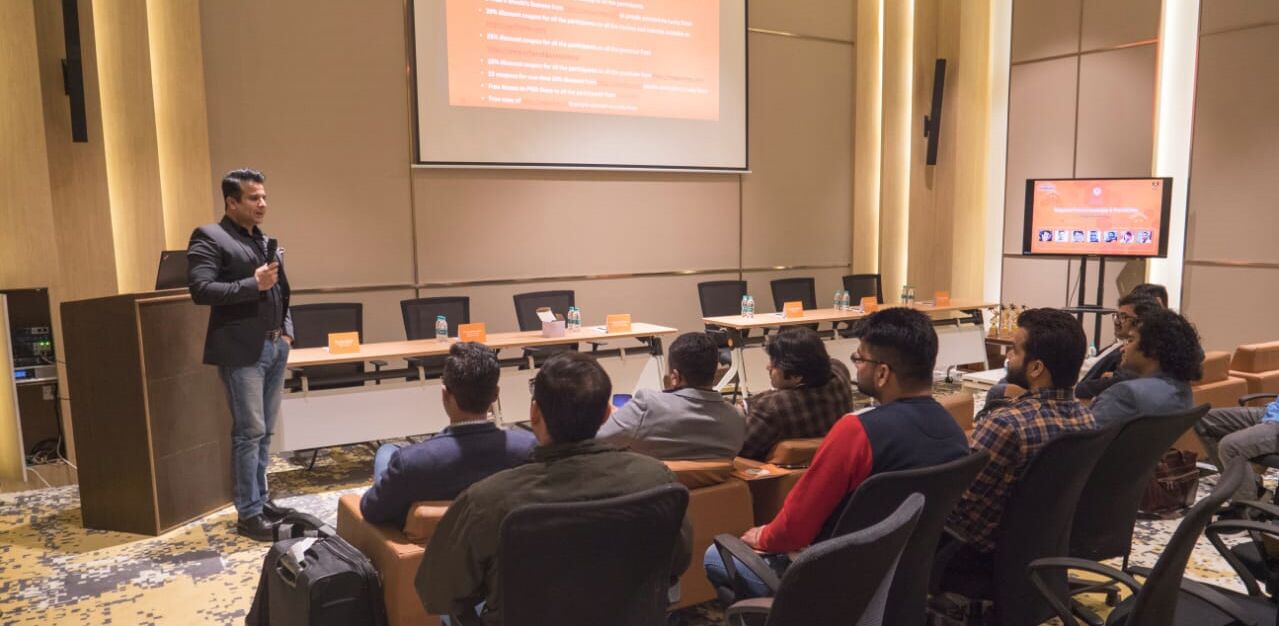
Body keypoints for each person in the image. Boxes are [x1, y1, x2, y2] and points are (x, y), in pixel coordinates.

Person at [703, 308, 969, 598]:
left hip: (830, 580)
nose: (855, 366)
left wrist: (762, 536)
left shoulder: (857, 432)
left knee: (716, 556)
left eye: (860, 358)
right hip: (904, 577)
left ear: (882, 373)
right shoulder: (953, 432)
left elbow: (794, 530)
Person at [416, 352, 692, 626]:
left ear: (534, 413)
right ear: (608, 414)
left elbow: (436, 593)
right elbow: (677, 561)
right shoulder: (656, 479)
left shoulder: (487, 500)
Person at [188, 168, 297, 541]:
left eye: (264, 197)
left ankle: (261, 499)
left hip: (273, 346)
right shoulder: (210, 237)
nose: (262, 203)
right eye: (253, 198)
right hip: (241, 352)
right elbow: (201, 289)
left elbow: (282, 290)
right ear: (232, 201)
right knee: (248, 433)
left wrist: (287, 333)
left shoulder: (264, 239)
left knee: (265, 431)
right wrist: (253, 284)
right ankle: (248, 513)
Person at [943, 308, 1097, 566]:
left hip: (979, 550)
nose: (1008, 358)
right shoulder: (1087, 419)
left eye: (1014, 350)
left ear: (1036, 367)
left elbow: (958, 501)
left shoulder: (1006, 424)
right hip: (1046, 547)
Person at [359, 342, 537, 525]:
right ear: (496, 394)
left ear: (444, 394)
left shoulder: (410, 462)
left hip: (430, 544)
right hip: (500, 540)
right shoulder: (529, 448)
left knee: (386, 451)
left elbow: (371, 510)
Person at [595, 332, 745, 459]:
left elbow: (595, 442)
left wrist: (614, 416)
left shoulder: (647, 406)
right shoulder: (736, 419)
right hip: (715, 493)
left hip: (649, 491)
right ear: (714, 372)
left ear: (675, 377)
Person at [737, 327, 854, 461]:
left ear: (796, 376)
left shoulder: (773, 409)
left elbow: (740, 449)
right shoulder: (840, 372)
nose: (768, 367)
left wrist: (745, 406)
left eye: (775, 364)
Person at [1090, 309, 1200, 426]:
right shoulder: (1183, 389)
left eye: (1130, 340)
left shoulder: (1125, 394)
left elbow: (1083, 440)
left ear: (1153, 349)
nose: (1122, 349)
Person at [1074, 293, 1162, 400]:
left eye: (1123, 317)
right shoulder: (1119, 344)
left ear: (1141, 321)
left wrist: (1077, 388)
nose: (1117, 322)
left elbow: (1119, 380)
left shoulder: (1137, 352)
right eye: (1117, 316)